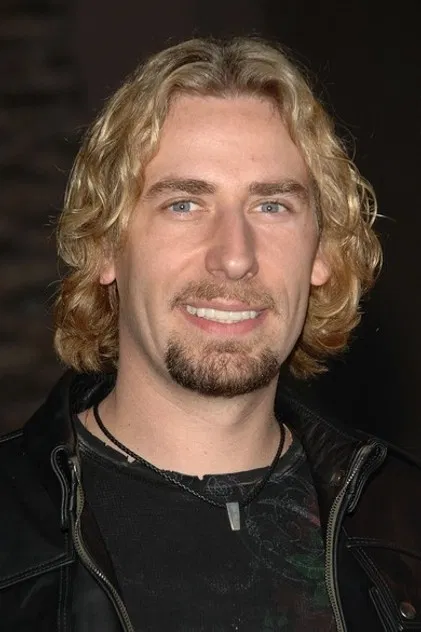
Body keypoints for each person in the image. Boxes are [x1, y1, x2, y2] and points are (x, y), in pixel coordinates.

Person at [1, 36, 420, 632]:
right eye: (184, 205)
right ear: (106, 245)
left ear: (321, 253)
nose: (234, 257)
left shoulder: (403, 527)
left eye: (272, 206)